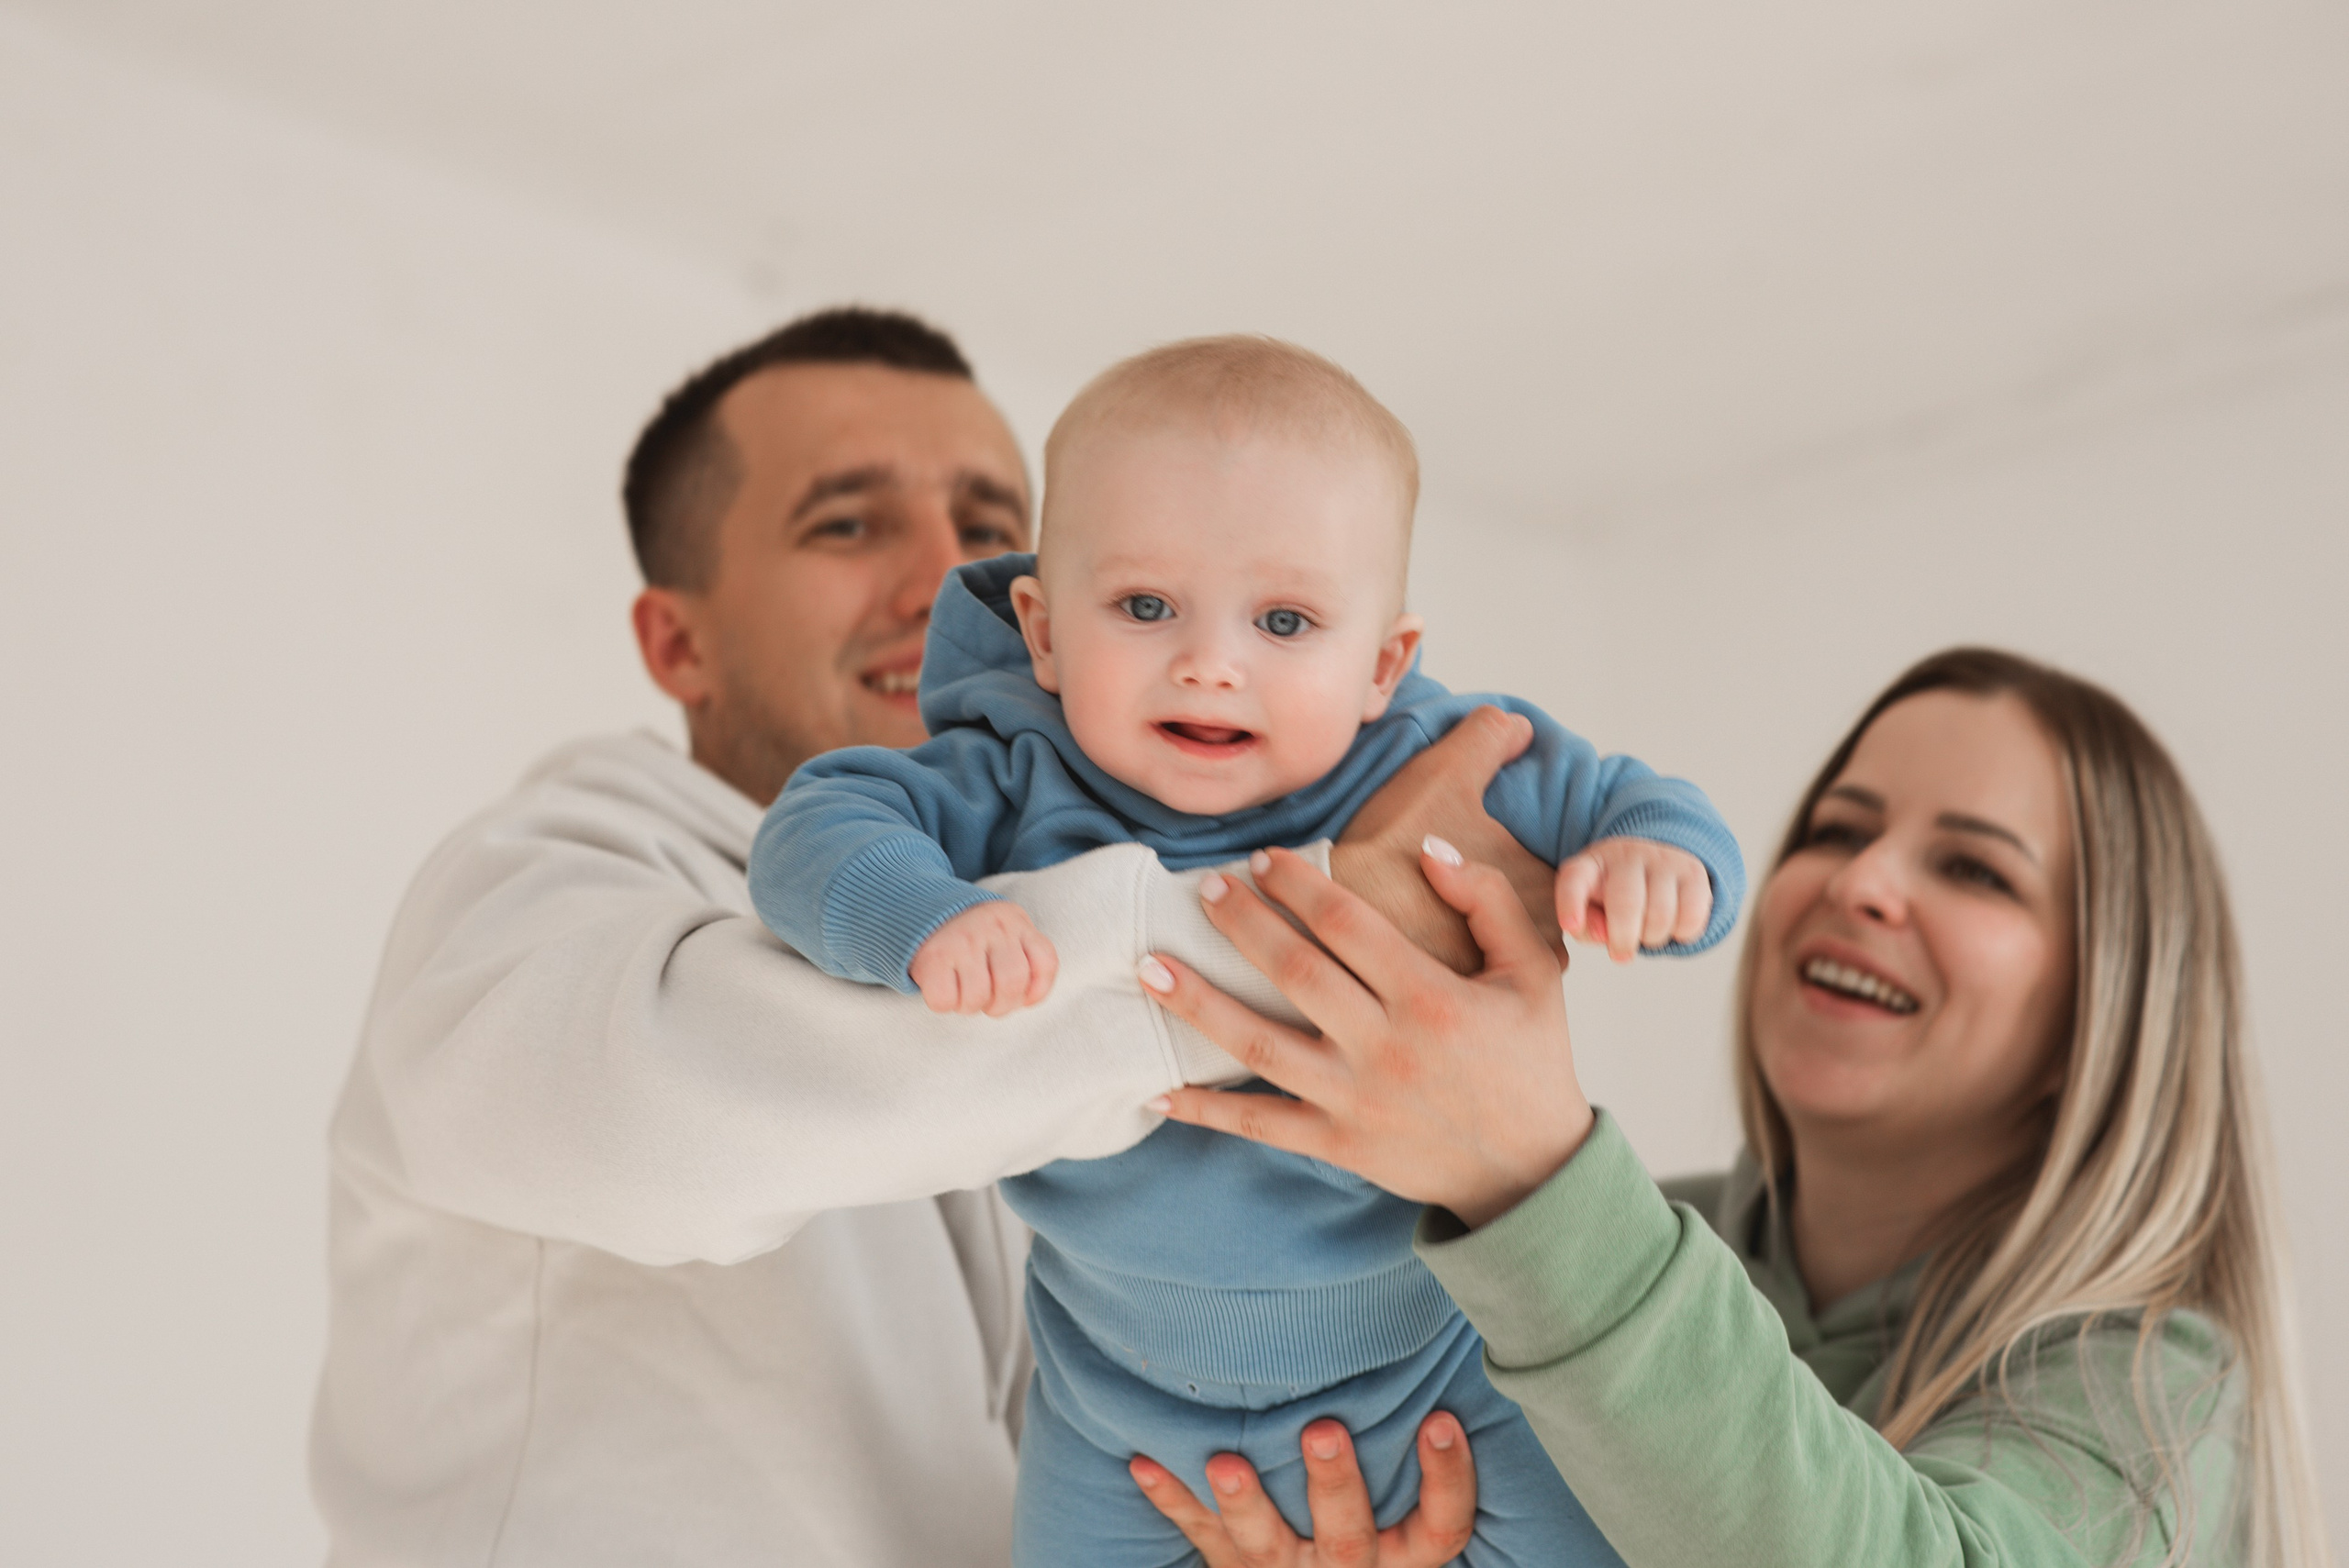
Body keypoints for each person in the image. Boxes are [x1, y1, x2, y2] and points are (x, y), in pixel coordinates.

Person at [308, 308, 1532, 1566]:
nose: (951, 577)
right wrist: (1333, 925)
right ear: (679, 641)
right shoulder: (528, 887)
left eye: (996, 525)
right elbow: (678, 1104)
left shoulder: (1037, 900)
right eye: (848, 522)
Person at [749, 335, 1742, 1565]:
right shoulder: (1014, 767)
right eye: (1146, 605)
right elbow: (815, 828)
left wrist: (1656, 864)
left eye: (1285, 619)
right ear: (1044, 633)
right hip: (1120, 1407)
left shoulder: (1444, 757)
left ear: (1384, 664)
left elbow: (1640, 805)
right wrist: (920, 917)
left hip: (1437, 1368)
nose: (1210, 660)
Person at [1139, 648, 2328, 1567]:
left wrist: (1539, 1178)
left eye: (1973, 867)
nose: (1860, 881)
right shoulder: (1604, 1243)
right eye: (1837, 828)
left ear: (2100, 1008)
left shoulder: (2153, 1387)